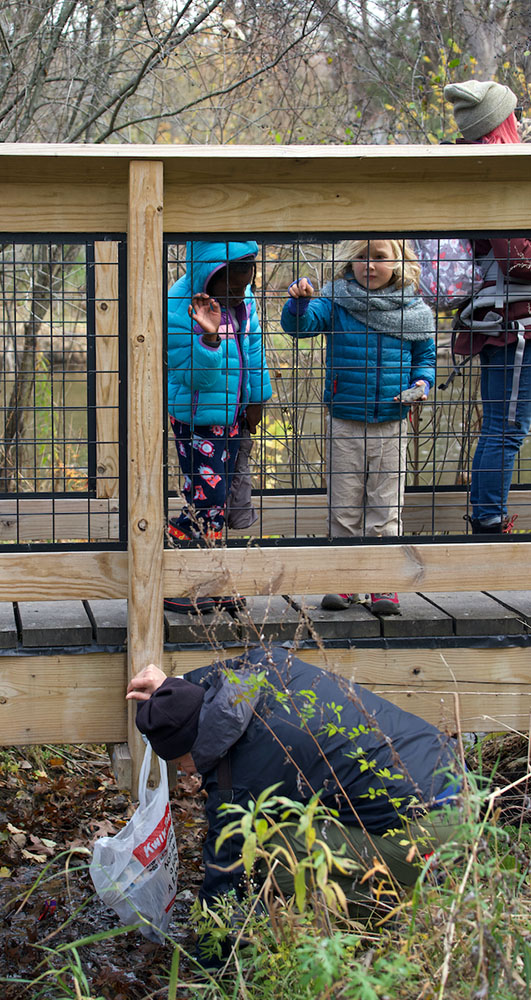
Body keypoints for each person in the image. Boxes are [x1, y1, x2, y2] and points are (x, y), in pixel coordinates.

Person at [126, 645, 462, 929]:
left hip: (433, 829)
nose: (184, 772)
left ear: (195, 748)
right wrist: (177, 687)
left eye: (180, 762)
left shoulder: (239, 778)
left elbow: (226, 870)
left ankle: (406, 905)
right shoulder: (262, 669)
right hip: (457, 776)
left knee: (271, 864)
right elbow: (255, 655)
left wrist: (209, 964)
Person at [280, 238, 436, 616]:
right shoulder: (334, 302)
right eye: (360, 258)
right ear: (348, 264)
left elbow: (425, 357)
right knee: (344, 506)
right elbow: (300, 327)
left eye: (379, 258)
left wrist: (422, 384)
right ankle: (344, 582)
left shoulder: (414, 310)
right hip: (345, 422)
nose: (369, 265)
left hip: (392, 421)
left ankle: (384, 584)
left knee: (385, 507)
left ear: (399, 263)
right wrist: (299, 301)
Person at [165, 240, 272, 614]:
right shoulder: (179, 305)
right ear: (211, 274)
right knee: (205, 500)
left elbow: (255, 352)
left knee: (220, 502)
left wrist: (258, 400)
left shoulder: (245, 302)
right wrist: (209, 337)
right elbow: (197, 378)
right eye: (231, 283)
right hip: (199, 419)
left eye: (248, 278)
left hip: (234, 416)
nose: (241, 289)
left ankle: (214, 582)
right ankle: (168, 575)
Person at [444, 80, 531, 534]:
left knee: (505, 425)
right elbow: (518, 261)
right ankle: (489, 522)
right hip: (514, 326)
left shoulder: (487, 167)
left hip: (510, 323)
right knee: (507, 428)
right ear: (504, 122)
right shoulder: (498, 174)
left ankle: (488, 518)